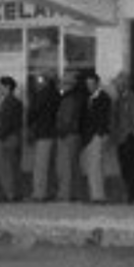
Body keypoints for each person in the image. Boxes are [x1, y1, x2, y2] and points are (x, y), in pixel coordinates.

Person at [112, 72, 134, 204]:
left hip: (129, 138)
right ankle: (130, 194)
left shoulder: (132, 98)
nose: (117, 86)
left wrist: (131, 132)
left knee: (132, 168)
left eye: (120, 83)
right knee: (125, 167)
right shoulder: (119, 99)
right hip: (121, 138)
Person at [80, 71, 111, 203]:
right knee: (92, 166)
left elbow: (104, 118)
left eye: (91, 84)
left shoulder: (103, 98)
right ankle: (95, 194)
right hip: (91, 136)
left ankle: (98, 196)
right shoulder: (90, 97)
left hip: (97, 135)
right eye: (87, 84)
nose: (89, 86)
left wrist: (99, 133)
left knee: (95, 166)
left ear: (97, 84)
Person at [27, 73, 59, 201]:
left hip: (43, 133)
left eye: (39, 81)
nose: (37, 84)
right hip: (55, 134)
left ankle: (39, 193)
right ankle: (50, 191)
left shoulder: (42, 95)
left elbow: (33, 113)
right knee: (51, 166)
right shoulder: (57, 95)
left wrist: (30, 125)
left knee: (40, 166)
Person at [55, 71, 85, 202]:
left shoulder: (69, 99)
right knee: (73, 166)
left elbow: (67, 119)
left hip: (68, 135)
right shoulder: (77, 97)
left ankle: (65, 194)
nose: (61, 85)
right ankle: (75, 193)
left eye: (63, 83)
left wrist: (61, 132)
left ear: (70, 85)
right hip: (74, 134)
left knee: (66, 167)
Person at [0, 76, 24, 201]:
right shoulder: (14, 101)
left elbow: (7, 122)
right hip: (13, 136)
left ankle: (9, 194)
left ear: (7, 87)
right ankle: (13, 193)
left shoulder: (9, 102)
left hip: (7, 137)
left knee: (6, 167)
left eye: (0, 86)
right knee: (13, 166)